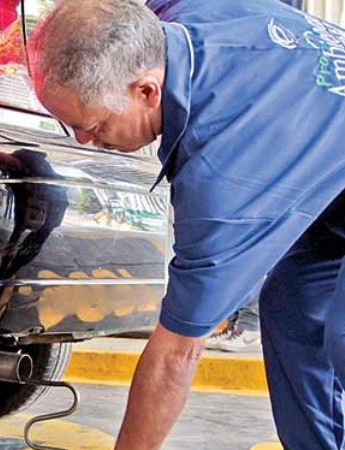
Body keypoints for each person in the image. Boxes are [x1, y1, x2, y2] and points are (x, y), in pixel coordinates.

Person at [27, 1, 345, 449]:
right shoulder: (176, 18)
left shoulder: (224, 176)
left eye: (93, 124)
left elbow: (176, 354)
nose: (83, 139)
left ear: (147, 92)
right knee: (291, 310)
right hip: (334, 190)